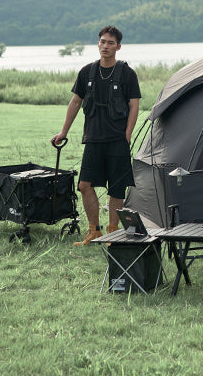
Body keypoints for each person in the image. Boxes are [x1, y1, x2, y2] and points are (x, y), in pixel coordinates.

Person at [52, 26, 141, 245]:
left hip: (117, 139)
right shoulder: (86, 72)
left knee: (116, 188)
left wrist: (127, 136)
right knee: (84, 185)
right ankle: (93, 231)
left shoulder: (127, 74)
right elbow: (75, 102)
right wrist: (64, 131)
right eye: (102, 42)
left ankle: (112, 232)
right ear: (98, 44)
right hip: (93, 138)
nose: (106, 46)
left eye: (111, 43)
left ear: (118, 46)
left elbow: (134, 105)